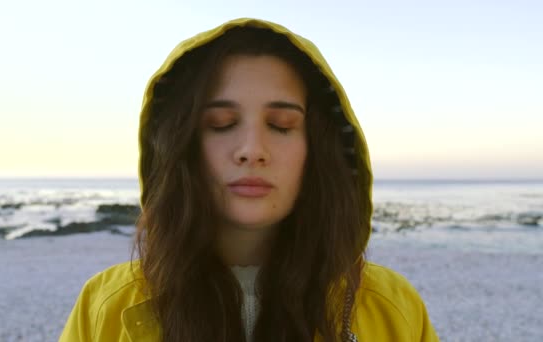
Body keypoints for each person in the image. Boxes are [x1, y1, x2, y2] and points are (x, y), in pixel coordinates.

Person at [59, 17, 439, 342]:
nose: (252, 149)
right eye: (221, 125)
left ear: (317, 148)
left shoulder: (394, 307)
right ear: (184, 145)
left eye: (281, 125)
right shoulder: (104, 304)